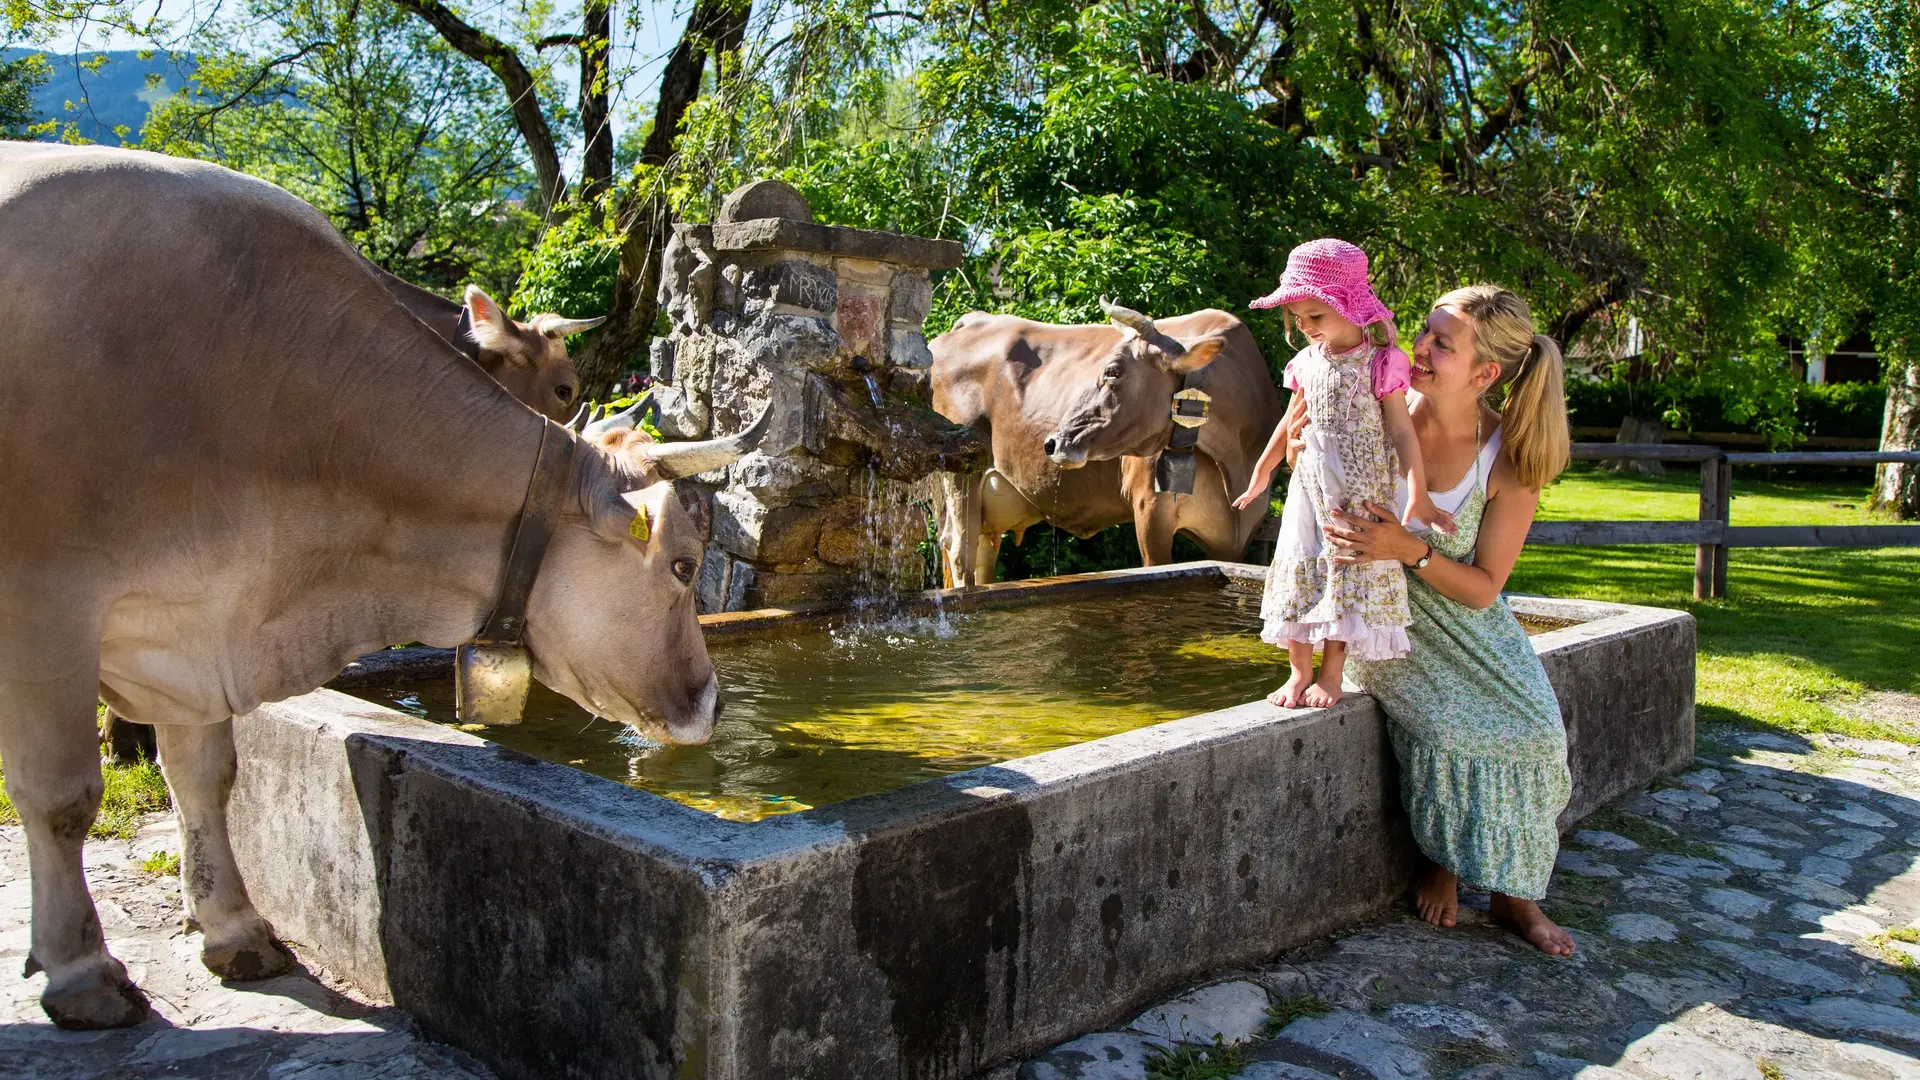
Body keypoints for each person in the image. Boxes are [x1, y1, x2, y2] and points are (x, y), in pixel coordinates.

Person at [1302, 283, 1577, 956]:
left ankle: (1517, 896)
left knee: (1538, 733)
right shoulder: (1376, 403)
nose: (1419, 347)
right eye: (1424, 330)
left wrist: (1411, 550)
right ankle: (1442, 862)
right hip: (1383, 622)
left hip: (1467, 624)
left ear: (1486, 373)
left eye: (1441, 344)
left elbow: (1485, 590)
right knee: (1450, 729)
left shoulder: (1508, 457)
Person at [1233, 239, 1450, 709]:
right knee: (1298, 563)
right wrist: (1260, 474)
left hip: (1357, 494)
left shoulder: (1380, 362)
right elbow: (1287, 424)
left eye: (1317, 316)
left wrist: (1418, 494)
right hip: (1309, 489)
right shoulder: (1306, 363)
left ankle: (1331, 674)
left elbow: (1402, 431)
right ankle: (1297, 672)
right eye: (1299, 318)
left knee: (1347, 574)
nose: (1307, 327)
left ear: (1350, 307)